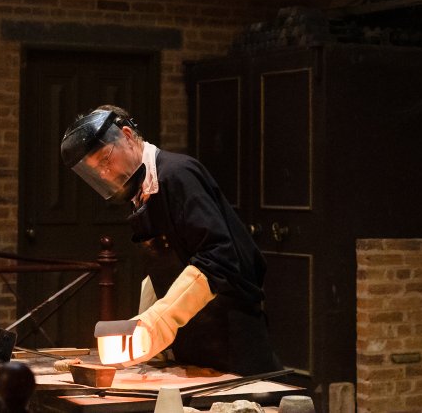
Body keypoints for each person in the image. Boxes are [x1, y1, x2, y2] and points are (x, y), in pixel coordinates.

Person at [60, 105, 281, 375]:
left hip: (231, 336)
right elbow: (164, 266)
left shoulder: (177, 174)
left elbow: (217, 257)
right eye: (97, 171)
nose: (105, 174)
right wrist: (145, 336)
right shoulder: (142, 192)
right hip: (191, 340)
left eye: (106, 160)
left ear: (127, 136)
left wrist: (157, 323)